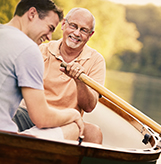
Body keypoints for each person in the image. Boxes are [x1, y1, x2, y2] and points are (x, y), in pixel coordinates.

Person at [0, 0, 84, 141]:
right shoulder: (28, 49)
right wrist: (73, 114)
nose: (49, 37)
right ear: (32, 14)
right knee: (73, 127)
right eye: (50, 28)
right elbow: (41, 118)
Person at [13, 8, 105, 144]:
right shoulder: (41, 50)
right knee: (12, 113)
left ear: (90, 35)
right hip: (31, 114)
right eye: (73, 26)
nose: (76, 33)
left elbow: (89, 107)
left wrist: (80, 81)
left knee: (93, 133)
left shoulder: (96, 60)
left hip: (66, 122)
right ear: (63, 25)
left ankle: (28, 142)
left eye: (83, 30)